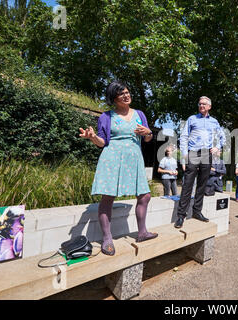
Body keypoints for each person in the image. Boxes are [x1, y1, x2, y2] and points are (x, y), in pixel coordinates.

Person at [79, 81, 157, 255]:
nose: (127, 95)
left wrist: (148, 133)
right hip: (112, 158)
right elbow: (102, 142)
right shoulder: (106, 117)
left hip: (134, 158)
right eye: (122, 94)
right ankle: (107, 239)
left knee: (145, 195)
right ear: (114, 98)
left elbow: (147, 138)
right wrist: (92, 137)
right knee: (108, 198)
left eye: (128, 92)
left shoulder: (139, 114)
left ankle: (142, 232)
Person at [174, 96, 225, 229]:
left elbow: (221, 136)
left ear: (209, 107)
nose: (201, 105)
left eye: (204, 104)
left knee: (202, 184)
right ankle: (181, 215)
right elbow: (184, 137)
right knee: (187, 184)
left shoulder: (214, 122)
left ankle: (197, 211)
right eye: (200, 103)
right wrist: (184, 157)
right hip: (193, 153)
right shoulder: (192, 119)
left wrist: (217, 147)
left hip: (206, 154)